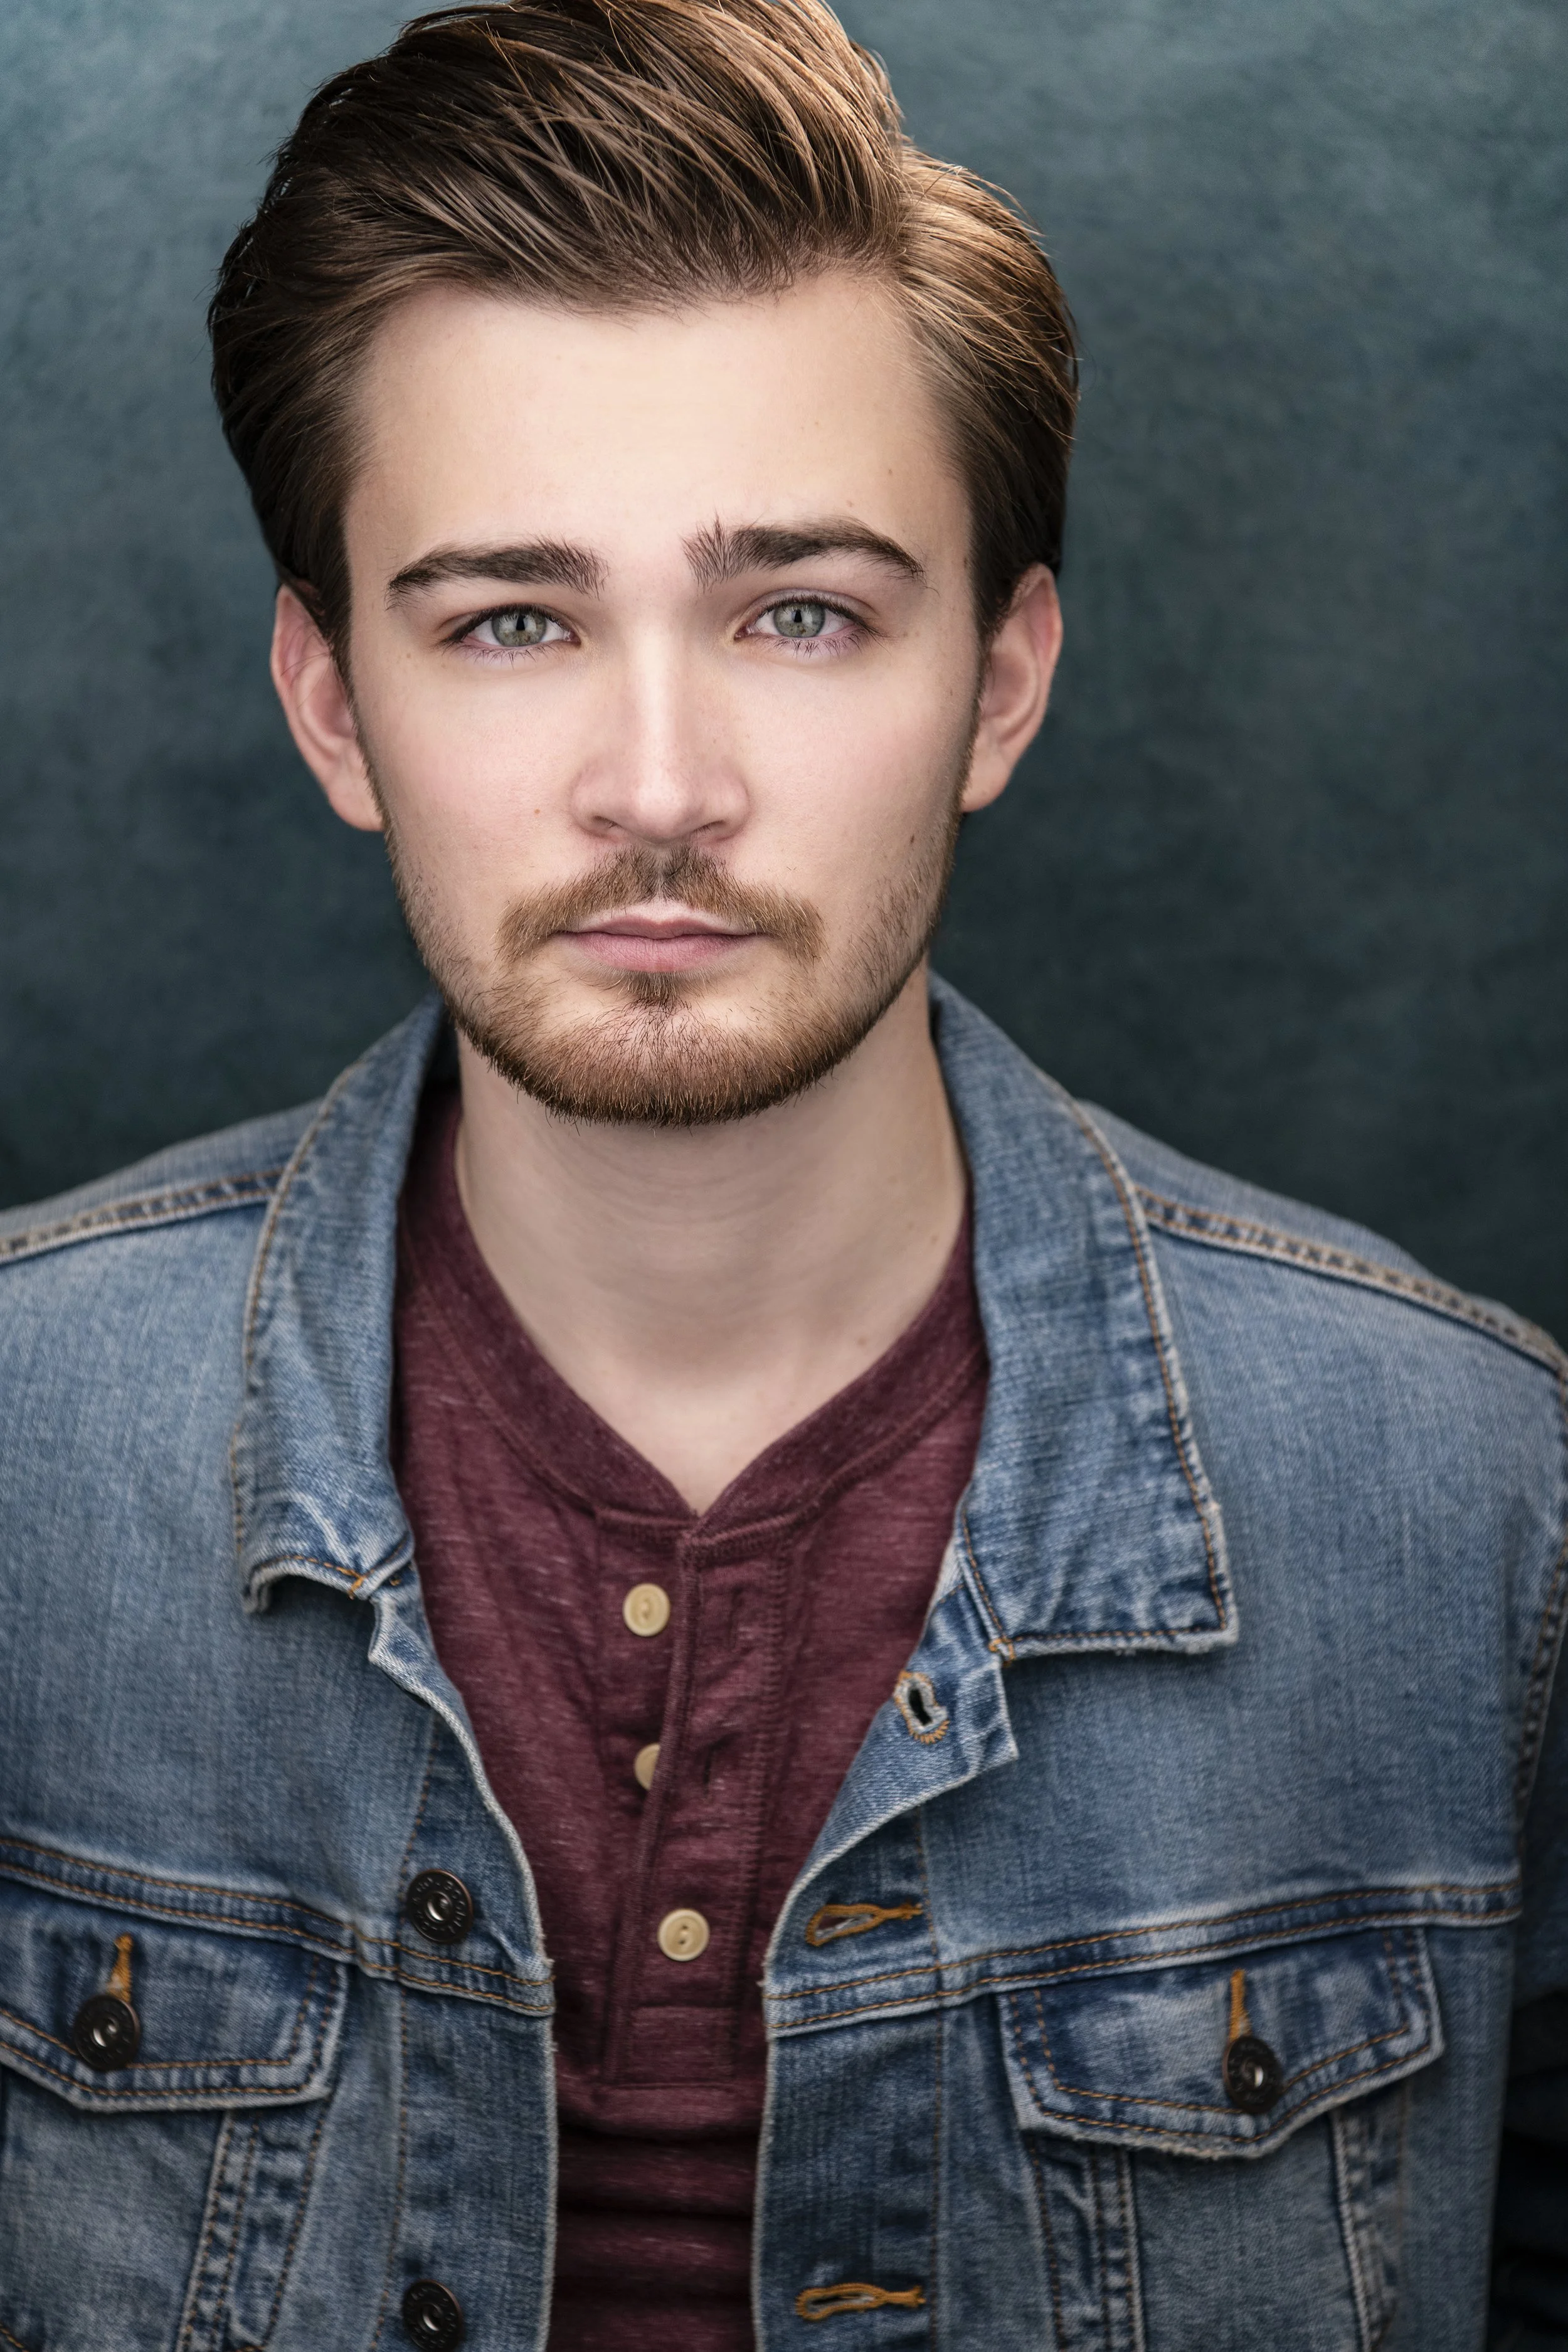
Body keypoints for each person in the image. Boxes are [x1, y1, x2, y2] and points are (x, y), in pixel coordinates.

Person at [0, 1, 1561, 2344]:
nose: (659, 785)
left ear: (999, 683)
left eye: (798, 613)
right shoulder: (20, 1456)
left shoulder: (1478, 1503)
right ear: (333, 705)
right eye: (511, 620)